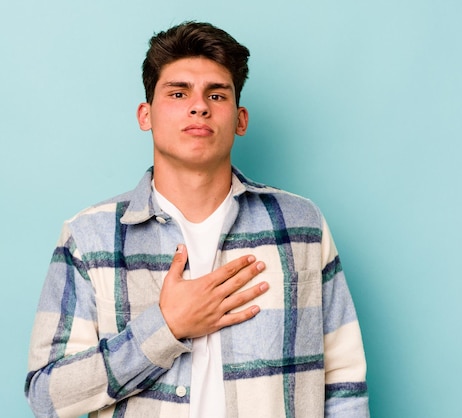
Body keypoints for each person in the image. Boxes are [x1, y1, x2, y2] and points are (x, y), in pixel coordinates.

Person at [25, 21, 369, 418]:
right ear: (145, 115)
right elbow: (47, 395)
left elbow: (345, 385)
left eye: (216, 94)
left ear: (240, 120)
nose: (199, 105)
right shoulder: (89, 238)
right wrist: (166, 327)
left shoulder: (301, 227)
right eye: (178, 92)